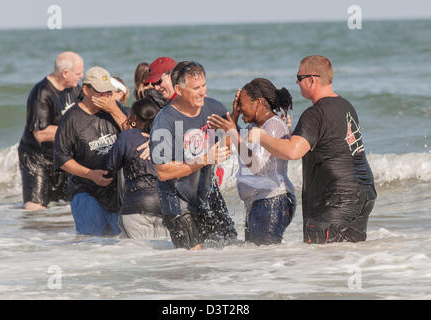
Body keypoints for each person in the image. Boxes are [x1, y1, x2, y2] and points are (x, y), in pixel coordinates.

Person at [248, 55, 376, 244]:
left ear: (312, 79)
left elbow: (293, 152)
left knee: (323, 260)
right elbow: (326, 144)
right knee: (348, 256)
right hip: (363, 194)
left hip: (335, 199)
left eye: (299, 78)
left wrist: (262, 136)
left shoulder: (314, 113)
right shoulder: (345, 106)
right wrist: (290, 132)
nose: (296, 82)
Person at [150, 61, 237, 250]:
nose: (202, 92)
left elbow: (228, 147)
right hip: (178, 202)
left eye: (204, 85)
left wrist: (231, 131)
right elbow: (162, 171)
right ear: (179, 90)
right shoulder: (165, 120)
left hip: (208, 194)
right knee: (193, 259)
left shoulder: (213, 108)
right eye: (196, 88)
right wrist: (203, 159)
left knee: (230, 247)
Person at [207, 78, 296, 246]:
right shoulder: (251, 128)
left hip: (273, 200)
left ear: (259, 102)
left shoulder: (274, 126)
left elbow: (256, 166)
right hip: (258, 204)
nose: (240, 108)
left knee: (265, 262)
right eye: (237, 105)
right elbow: (225, 148)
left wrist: (234, 133)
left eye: (242, 104)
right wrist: (234, 116)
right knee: (256, 262)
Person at [53, 66, 128, 236]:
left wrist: (115, 110)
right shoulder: (71, 119)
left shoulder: (114, 109)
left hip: (115, 193)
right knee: (93, 243)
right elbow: (61, 158)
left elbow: (134, 134)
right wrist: (90, 174)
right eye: (100, 93)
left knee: (119, 245)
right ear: (85, 89)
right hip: (85, 191)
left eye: (109, 92)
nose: (106, 97)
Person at [18, 51, 84, 211]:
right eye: (78, 73)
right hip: (37, 158)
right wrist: (73, 131)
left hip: (61, 157)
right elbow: (40, 133)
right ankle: (31, 235)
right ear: (65, 73)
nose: (81, 76)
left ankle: (58, 236)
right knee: (36, 206)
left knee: (64, 205)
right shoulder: (42, 93)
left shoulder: (74, 89)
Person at [107, 98, 169, 239]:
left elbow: (110, 168)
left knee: (138, 255)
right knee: (163, 255)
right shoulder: (166, 138)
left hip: (136, 206)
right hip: (165, 206)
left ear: (134, 118)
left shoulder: (127, 137)